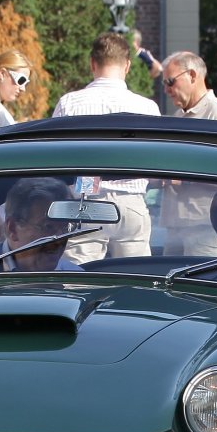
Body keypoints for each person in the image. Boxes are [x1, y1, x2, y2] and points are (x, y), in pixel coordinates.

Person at [51, 32, 160, 262]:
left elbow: (54, 158)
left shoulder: (70, 103)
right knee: (137, 276)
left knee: (77, 276)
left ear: (93, 63)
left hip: (87, 199)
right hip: (132, 201)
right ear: (127, 66)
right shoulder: (147, 108)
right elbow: (156, 162)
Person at [160, 50, 217, 256]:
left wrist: (183, 179)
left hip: (204, 227)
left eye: (170, 81)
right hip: (176, 225)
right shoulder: (180, 116)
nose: (166, 89)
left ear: (192, 76)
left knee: (201, 278)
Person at [0, 177, 84, 273]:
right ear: (12, 229)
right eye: (48, 227)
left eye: (65, 227)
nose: (60, 240)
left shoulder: (74, 277)